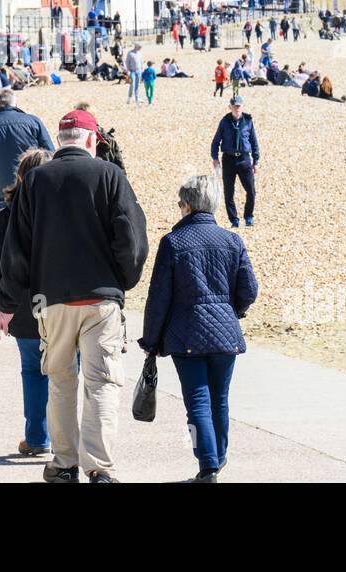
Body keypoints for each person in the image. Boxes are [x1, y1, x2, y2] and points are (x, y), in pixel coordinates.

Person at [0, 108, 150, 483]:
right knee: (101, 382)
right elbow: (132, 237)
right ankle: (99, 466)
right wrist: (122, 281)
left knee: (61, 382)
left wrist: (6, 304)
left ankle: (64, 463)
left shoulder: (36, 181)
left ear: (60, 141)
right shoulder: (110, 175)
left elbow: (17, 249)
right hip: (100, 300)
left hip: (53, 301)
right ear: (92, 140)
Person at [139, 175, 259, 482]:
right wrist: (233, 312)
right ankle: (217, 460)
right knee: (220, 398)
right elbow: (249, 290)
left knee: (198, 401)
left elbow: (159, 298)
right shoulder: (233, 241)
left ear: (188, 205)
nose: (179, 209)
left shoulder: (173, 243)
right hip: (226, 335)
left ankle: (207, 467)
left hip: (186, 334)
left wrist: (151, 340)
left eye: (180, 204)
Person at [0, 147, 54, 456]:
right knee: (66, 370)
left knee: (33, 371)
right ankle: (63, 436)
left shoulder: (9, 215)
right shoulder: (61, 216)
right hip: (59, 304)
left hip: (21, 306)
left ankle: (37, 436)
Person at [0, 89, 56, 214]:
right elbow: (51, 154)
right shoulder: (33, 122)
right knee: (34, 230)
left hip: (0, 191)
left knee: (6, 231)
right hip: (32, 187)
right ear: (16, 104)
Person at [210, 96, 261, 228]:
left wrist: (256, 161)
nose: (237, 108)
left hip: (244, 159)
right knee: (229, 192)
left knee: (251, 190)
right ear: (230, 107)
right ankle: (234, 220)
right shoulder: (225, 122)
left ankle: (249, 216)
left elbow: (254, 142)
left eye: (239, 106)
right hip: (228, 159)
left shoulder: (248, 121)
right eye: (235, 106)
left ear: (242, 107)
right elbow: (215, 141)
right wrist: (214, 158)